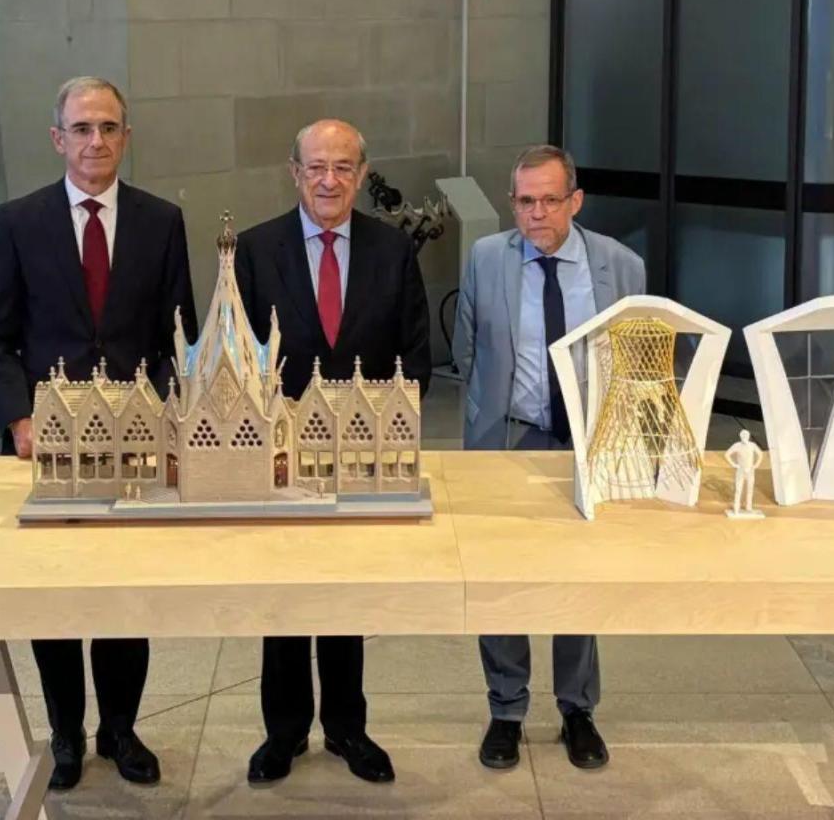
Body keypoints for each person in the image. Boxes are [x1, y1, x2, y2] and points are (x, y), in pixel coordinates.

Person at [0, 76, 196, 791]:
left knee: (126, 598)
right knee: (58, 597)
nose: (95, 141)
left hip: (135, 446)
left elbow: (177, 338)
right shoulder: (18, 220)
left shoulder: (162, 221)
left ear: (125, 136)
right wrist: (18, 418)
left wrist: (167, 413)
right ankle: (65, 734)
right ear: (57, 138)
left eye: (108, 127)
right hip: (50, 446)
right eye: (81, 128)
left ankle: (121, 730)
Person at [232, 118, 431, 785]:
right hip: (280, 458)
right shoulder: (255, 251)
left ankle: (348, 728)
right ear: (294, 172)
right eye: (316, 166)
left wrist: (384, 430)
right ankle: (282, 734)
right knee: (283, 599)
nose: (329, 180)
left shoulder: (392, 250)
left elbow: (416, 357)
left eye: (344, 167)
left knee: (347, 598)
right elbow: (237, 357)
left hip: (363, 458)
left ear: (361, 174)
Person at [452, 144, 645, 771]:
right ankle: (505, 709)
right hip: (513, 439)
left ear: (576, 201)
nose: (536, 213)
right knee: (503, 579)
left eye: (550, 200)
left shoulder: (622, 265)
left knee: (578, 581)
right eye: (525, 201)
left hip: (589, 442)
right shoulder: (487, 258)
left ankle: (576, 709)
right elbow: (468, 349)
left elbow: (638, 358)